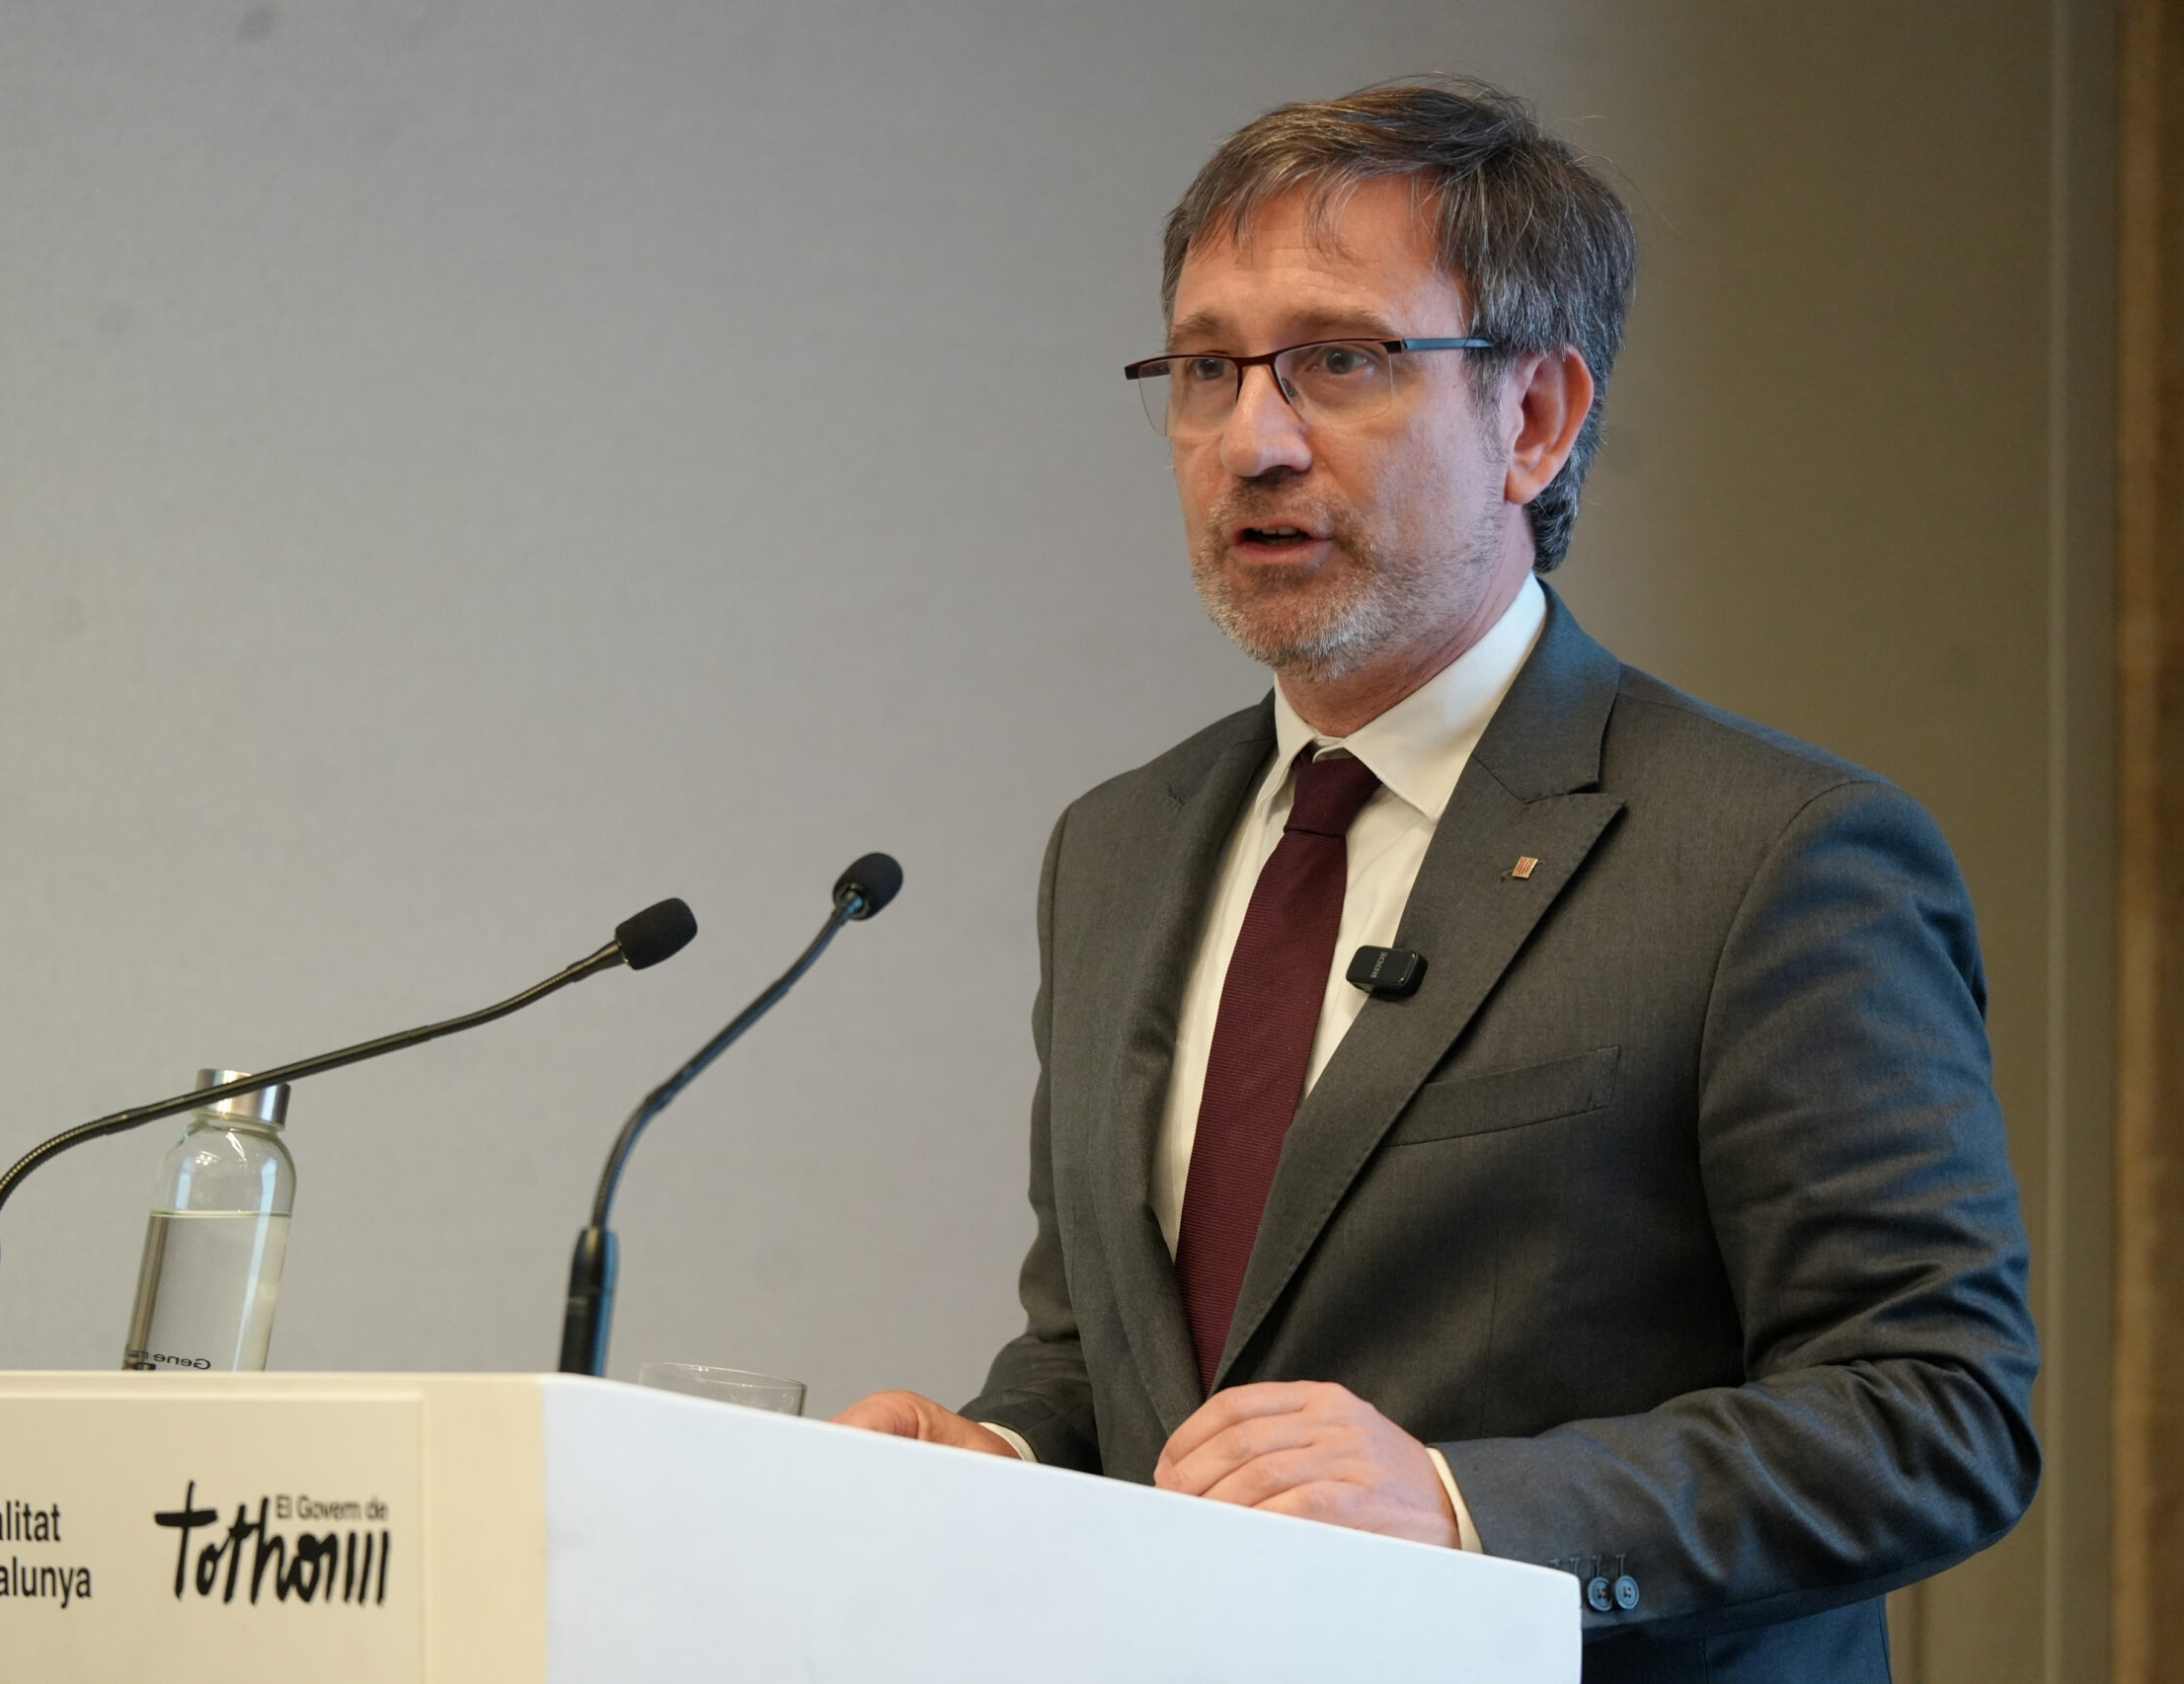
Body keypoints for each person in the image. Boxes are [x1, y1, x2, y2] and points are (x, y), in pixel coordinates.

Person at [833, 77, 2037, 1681]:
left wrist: (1469, 1508)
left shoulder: (1773, 855)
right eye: (1207, 369)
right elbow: (1113, 1355)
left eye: (1340, 360)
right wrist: (1001, 1453)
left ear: (1533, 420)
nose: (1252, 440)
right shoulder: (1117, 847)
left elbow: (1938, 1411)